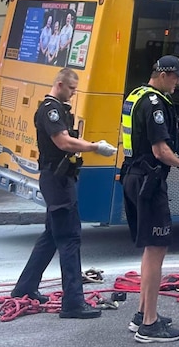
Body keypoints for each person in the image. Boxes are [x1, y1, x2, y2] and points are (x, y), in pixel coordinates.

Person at [11, 68, 118, 318]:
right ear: (60, 85)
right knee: (70, 239)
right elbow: (63, 142)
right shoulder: (51, 109)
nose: (74, 93)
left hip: (58, 179)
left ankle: (24, 288)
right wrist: (94, 147)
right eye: (71, 88)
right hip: (58, 181)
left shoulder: (57, 108)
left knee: (51, 236)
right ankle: (73, 303)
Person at [121, 55, 179, 343]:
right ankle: (149, 325)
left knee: (150, 248)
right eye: (176, 77)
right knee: (157, 248)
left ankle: (142, 313)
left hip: (133, 177)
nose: (178, 82)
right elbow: (160, 151)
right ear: (163, 74)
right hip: (149, 181)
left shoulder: (135, 95)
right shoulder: (155, 104)